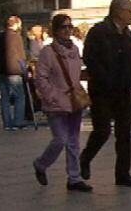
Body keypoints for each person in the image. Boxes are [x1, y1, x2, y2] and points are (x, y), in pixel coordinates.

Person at [80, 0, 131, 188]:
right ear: (118, 12)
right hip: (102, 91)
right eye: (130, 11)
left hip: (123, 90)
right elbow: (90, 59)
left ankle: (123, 173)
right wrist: (105, 79)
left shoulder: (128, 34)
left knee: (124, 133)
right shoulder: (99, 32)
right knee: (102, 131)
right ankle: (85, 158)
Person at [32, 14, 92, 192]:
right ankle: (41, 164)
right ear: (56, 30)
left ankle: (74, 178)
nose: (67, 30)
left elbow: (75, 74)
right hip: (56, 103)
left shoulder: (74, 50)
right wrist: (52, 95)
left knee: (73, 140)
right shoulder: (48, 52)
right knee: (60, 139)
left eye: (70, 27)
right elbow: (40, 78)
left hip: (73, 101)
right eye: (63, 27)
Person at [0, 15, 29, 130]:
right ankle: (17, 121)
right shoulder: (16, 37)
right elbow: (21, 55)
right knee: (19, 96)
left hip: (0, 70)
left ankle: (7, 123)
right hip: (13, 70)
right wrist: (25, 70)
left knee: (5, 97)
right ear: (16, 24)